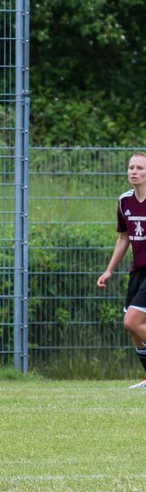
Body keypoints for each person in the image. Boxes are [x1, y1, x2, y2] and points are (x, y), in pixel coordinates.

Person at [96, 151, 146, 388]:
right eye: (131, 167)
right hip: (137, 272)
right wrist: (109, 270)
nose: (134, 172)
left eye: (139, 168)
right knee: (135, 332)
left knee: (131, 321)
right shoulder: (124, 201)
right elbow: (123, 238)